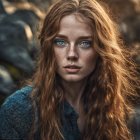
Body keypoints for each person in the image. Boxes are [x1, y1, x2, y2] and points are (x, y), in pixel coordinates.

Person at [0, 0, 139, 140]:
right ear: (49, 48)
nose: (71, 54)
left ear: (101, 50)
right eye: (61, 42)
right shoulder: (18, 111)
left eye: (84, 43)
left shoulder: (113, 108)